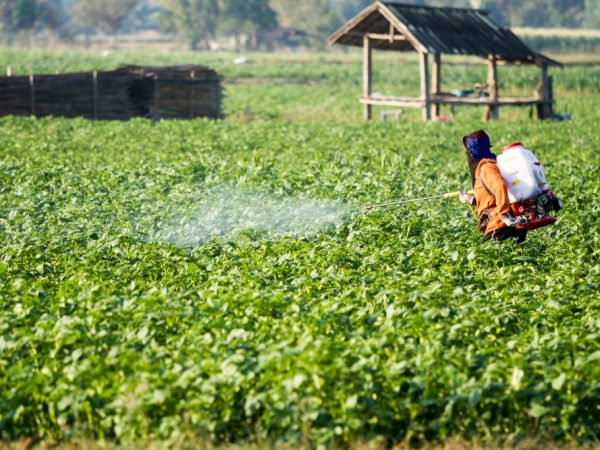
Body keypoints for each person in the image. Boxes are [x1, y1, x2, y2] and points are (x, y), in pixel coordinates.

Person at [459, 130, 528, 243]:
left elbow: (499, 186)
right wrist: (471, 199)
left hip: (500, 225)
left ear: (473, 152)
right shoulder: (497, 164)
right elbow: (493, 196)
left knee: (485, 258)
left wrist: (504, 214)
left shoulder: (487, 167)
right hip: (514, 223)